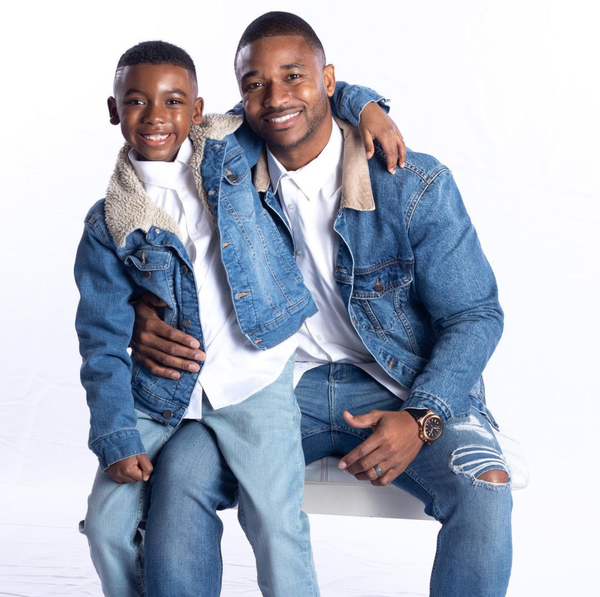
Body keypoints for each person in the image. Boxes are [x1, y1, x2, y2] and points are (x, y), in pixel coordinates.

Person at [135, 12, 513, 597]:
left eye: (294, 77)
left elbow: (475, 316)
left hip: (399, 382)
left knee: (484, 484)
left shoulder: (411, 182)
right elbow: (141, 200)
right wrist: (140, 310)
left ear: (328, 80)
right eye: (255, 84)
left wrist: (422, 416)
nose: (275, 98)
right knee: (179, 472)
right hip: (273, 384)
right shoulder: (222, 167)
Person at [74, 40, 406, 597]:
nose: (156, 117)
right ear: (114, 110)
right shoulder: (109, 222)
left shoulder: (227, 148)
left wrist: (368, 106)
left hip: (255, 375)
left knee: (276, 523)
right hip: (161, 393)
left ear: (197, 110)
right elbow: (99, 340)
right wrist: (115, 433)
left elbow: (290, 101)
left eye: (173, 102)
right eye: (135, 101)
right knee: (107, 526)